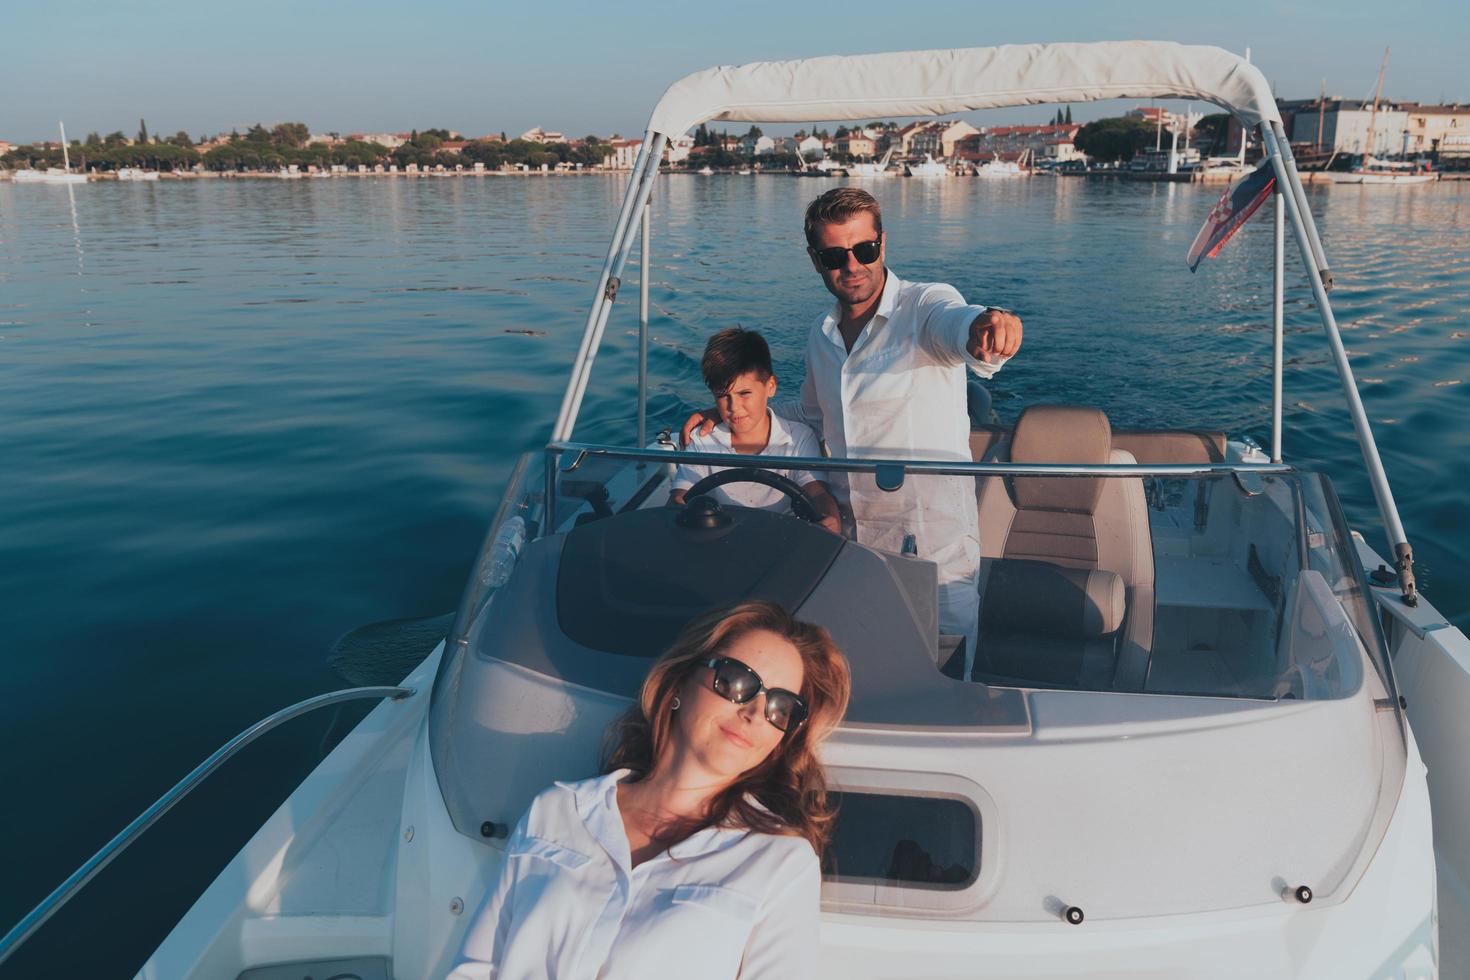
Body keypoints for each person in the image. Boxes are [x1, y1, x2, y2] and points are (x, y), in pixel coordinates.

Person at [684, 188, 1022, 673]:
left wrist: (988, 327)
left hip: (931, 549)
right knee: (852, 673)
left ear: (882, 243)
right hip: (846, 542)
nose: (853, 266)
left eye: (864, 250)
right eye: (834, 256)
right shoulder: (819, 336)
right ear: (815, 260)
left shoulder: (924, 306)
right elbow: (811, 414)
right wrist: (734, 411)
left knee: (941, 674)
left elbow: (958, 324)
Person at [448, 601, 852, 980]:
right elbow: (474, 971)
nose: (753, 713)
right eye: (736, 682)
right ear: (678, 683)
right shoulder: (557, 811)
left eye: (781, 708)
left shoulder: (778, 862)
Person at [670, 327, 842, 534]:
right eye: (723, 396)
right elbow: (680, 495)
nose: (734, 407)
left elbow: (817, 494)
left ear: (771, 386)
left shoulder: (799, 438)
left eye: (744, 393)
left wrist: (829, 518)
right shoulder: (702, 440)